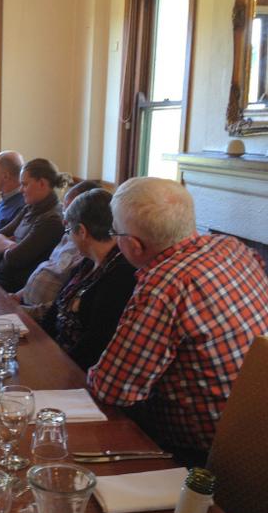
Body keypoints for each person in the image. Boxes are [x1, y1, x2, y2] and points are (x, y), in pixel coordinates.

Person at [87, 177, 268, 465]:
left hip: (200, 453)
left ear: (133, 245)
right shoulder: (233, 247)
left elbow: (113, 390)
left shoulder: (164, 286)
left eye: (115, 232)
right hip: (253, 426)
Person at [42, 188, 136, 370]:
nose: (68, 236)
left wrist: (52, 366)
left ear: (82, 231)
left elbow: (95, 344)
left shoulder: (122, 274)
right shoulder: (87, 263)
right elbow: (53, 312)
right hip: (55, 356)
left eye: (69, 230)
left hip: (76, 371)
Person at [12, 179, 99, 320]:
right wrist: (17, 297)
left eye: (69, 212)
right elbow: (49, 266)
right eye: (64, 210)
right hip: (25, 303)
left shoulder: (87, 252)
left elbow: (63, 302)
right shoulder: (67, 236)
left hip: (40, 317)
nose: (64, 220)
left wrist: (23, 311)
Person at [0, 158, 65, 292]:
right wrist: (11, 245)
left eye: (25, 184)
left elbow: (14, 258)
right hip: (2, 276)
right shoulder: (29, 208)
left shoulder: (52, 220)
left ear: (42, 183)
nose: (21, 190)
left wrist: (6, 245)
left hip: (17, 287)